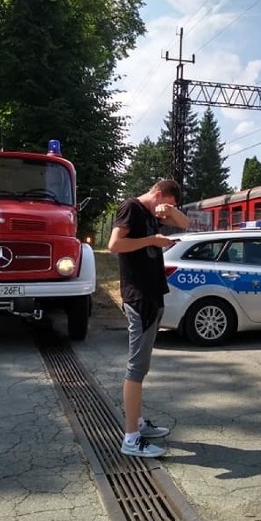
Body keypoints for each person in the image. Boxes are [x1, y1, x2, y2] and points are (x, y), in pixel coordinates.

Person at [107, 179, 190, 457]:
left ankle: (139, 424)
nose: (166, 213)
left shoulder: (151, 213)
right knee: (136, 369)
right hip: (139, 298)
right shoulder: (131, 207)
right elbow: (115, 245)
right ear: (157, 194)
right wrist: (152, 240)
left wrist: (170, 210)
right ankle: (131, 438)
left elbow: (185, 224)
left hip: (153, 296)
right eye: (165, 203)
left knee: (141, 369)